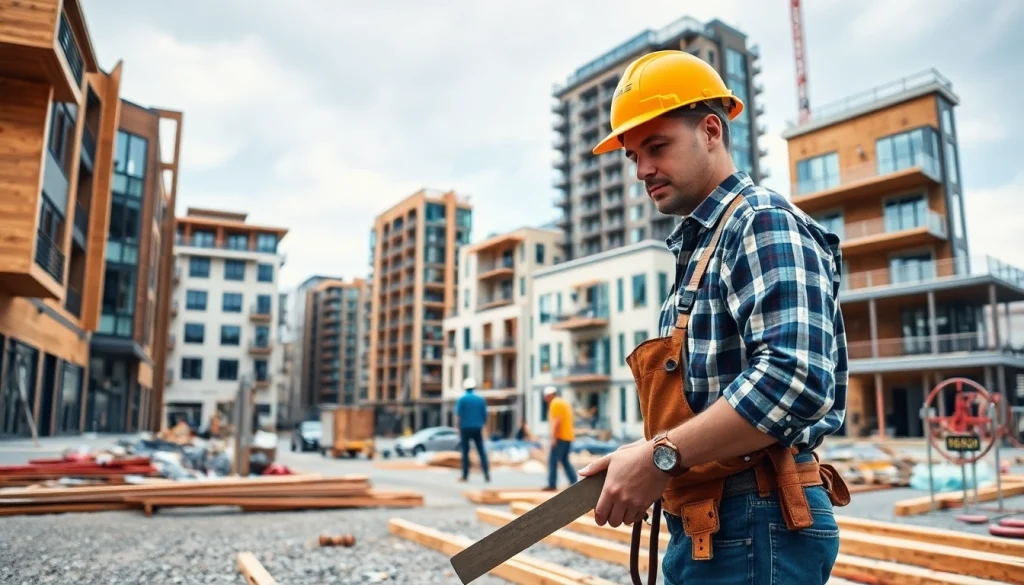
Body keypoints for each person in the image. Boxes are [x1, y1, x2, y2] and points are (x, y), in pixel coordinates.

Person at [577, 50, 850, 585]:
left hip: (755, 521)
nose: (643, 170)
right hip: (719, 523)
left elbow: (793, 380)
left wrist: (659, 457)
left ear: (710, 130)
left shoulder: (761, 223)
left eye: (656, 147)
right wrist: (647, 456)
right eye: (633, 156)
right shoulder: (703, 248)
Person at [454, 377, 490, 483]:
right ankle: (486, 474)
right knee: (481, 451)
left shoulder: (462, 399)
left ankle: (465, 475)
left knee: (465, 452)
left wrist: (457, 427)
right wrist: (483, 426)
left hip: (465, 428)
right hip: (477, 427)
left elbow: (458, 415)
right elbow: (485, 415)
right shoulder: (480, 400)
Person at [543, 385, 577, 491]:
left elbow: (556, 422)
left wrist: (554, 438)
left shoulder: (555, 403)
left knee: (553, 460)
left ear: (550, 395)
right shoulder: (563, 403)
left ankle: (552, 484)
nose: (545, 399)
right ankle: (574, 482)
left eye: (546, 396)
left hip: (560, 437)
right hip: (568, 436)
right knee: (564, 460)